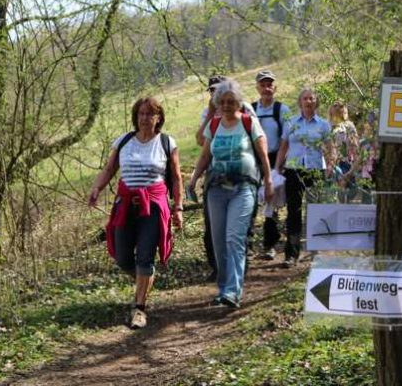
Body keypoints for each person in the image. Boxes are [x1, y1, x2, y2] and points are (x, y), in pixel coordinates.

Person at [88, 97, 183, 329]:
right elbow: (110, 168)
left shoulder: (166, 142)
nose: (145, 118)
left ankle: (139, 309)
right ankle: (146, 277)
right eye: (141, 114)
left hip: (154, 204)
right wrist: (97, 188)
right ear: (135, 116)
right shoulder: (124, 141)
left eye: (150, 114)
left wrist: (178, 207)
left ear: (159, 117)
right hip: (126, 204)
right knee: (122, 257)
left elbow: (177, 177)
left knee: (145, 256)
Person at [188, 79, 273, 309]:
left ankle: (233, 292)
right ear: (217, 103)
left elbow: (263, 155)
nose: (226, 105)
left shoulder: (249, 122)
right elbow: (205, 156)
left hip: (244, 187)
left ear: (239, 103)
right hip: (215, 189)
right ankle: (224, 288)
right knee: (218, 242)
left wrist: (268, 181)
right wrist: (194, 179)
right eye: (222, 102)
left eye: (231, 101)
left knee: (234, 238)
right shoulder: (213, 125)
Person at [195, 75, 257, 282]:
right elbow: (200, 142)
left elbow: (257, 141)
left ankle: (238, 269)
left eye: (217, 90)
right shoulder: (210, 115)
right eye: (211, 91)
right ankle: (219, 268)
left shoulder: (245, 110)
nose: (214, 94)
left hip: (243, 180)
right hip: (216, 179)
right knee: (213, 229)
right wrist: (211, 114)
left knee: (238, 230)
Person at [275, 88, 333, 268]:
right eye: (305, 98)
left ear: (316, 102)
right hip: (294, 170)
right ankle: (291, 254)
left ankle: (316, 251)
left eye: (312, 98)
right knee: (293, 211)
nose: (309, 101)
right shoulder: (291, 122)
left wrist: (330, 164)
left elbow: (331, 147)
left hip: (315, 171)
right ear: (300, 102)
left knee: (315, 211)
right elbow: (284, 146)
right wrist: (277, 168)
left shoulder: (324, 124)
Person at [251, 70, 291, 259]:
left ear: (275, 87)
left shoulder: (282, 110)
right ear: (257, 87)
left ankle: (270, 245)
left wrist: (279, 166)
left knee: (271, 204)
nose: (266, 88)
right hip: (253, 161)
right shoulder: (250, 110)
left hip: (275, 160)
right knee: (249, 203)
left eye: (270, 84)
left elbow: (287, 138)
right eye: (263, 84)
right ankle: (247, 247)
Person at [328, 101, 359, 200]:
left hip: (347, 162)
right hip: (331, 163)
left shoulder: (349, 125)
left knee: (350, 192)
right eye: (335, 106)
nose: (338, 108)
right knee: (333, 193)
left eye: (341, 106)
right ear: (331, 110)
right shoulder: (327, 125)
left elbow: (355, 146)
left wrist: (354, 165)